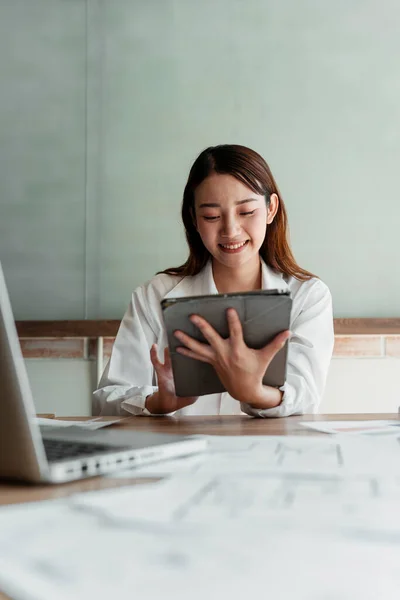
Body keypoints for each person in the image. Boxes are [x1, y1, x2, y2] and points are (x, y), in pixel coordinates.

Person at [93, 144, 334, 418]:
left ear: (270, 209)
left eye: (246, 212)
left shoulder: (307, 295)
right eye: (211, 216)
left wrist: (253, 392)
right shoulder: (154, 295)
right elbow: (105, 401)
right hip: (178, 455)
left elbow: (306, 396)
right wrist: (158, 402)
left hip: (268, 454)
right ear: (194, 219)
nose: (230, 230)